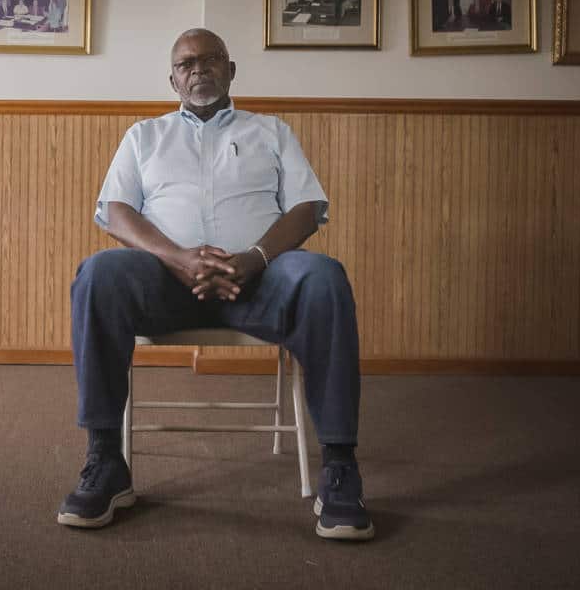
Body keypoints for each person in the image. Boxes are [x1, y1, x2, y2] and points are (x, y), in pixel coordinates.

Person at [56, 29, 374, 541]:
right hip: (166, 284)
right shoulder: (145, 135)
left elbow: (308, 207)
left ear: (230, 70)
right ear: (173, 79)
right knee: (98, 274)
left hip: (261, 280)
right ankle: (105, 461)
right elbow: (115, 212)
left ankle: (339, 469)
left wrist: (256, 257)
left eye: (208, 60)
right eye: (185, 64)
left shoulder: (270, 131)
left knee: (323, 277)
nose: (196, 69)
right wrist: (178, 258)